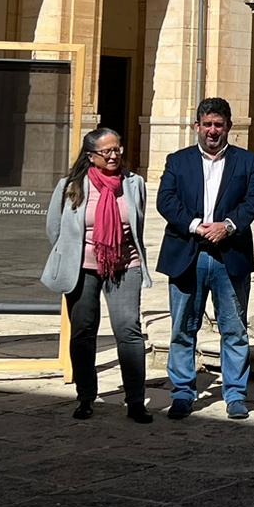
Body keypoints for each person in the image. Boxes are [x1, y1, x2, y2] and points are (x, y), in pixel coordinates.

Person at [156, 97, 254, 421]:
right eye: (207, 124)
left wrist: (227, 226)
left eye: (218, 125)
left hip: (228, 255)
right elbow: (165, 200)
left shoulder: (246, 162)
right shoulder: (178, 161)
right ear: (197, 127)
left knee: (234, 328)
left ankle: (235, 394)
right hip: (187, 254)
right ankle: (182, 393)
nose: (212, 131)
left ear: (228, 127)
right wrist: (195, 225)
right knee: (182, 328)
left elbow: (253, 200)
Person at [42, 127, 153, 423]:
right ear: (92, 157)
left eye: (117, 149)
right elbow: (54, 228)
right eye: (107, 151)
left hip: (124, 265)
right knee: (83, 332)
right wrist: (73, 255)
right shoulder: (70, 185)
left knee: (128, 329)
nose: (114, 155)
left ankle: (136, 401)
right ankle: (86, 397)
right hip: (82, 268)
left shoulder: (134, 184)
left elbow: (138, 226)